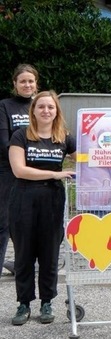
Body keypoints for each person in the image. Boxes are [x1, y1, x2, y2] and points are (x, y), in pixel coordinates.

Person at [8, 91, 75, 325]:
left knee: (49, 253)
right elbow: (19, 170)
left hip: (53, 199)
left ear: (57, 111)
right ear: (33, 111)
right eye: (41, 107)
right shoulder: (20, 135)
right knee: (24, 253)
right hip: (23, 197)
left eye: (51, 107)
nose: (46, 111)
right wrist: (56, 174)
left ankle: (47, 301)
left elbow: (88, 159)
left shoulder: (64, 137)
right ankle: (23, 304)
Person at [0, 64, 38, 275]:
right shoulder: (5, 106)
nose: (27, 84)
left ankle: (25, 265)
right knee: (4, 223)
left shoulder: (41, 105)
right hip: (9, 171)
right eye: (22, 81)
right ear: (14, 84)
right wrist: (21, 162)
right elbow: (3, 142)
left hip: (37, 171)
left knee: (30, 221)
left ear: (36, 84)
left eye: (30, 81)